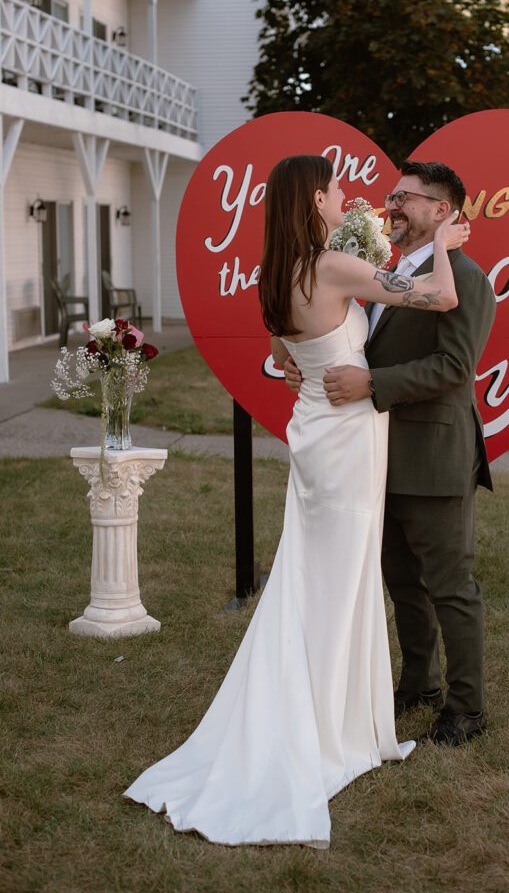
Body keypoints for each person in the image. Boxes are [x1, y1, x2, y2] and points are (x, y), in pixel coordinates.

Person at [124, 154, 470, 848]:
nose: (347, 197)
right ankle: (327, 723)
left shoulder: (276, 275)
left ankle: (326, 707)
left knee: (315, 573)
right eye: (337, 190)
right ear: (315, 200)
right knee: (338, 580)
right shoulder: (334, 267)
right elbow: (441, 299)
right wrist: (443, 244)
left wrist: (304, 365)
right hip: (346, 439)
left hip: (315, 429)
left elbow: (289, 359)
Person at [285, 160, 496, 748]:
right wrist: (311, 369)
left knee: (450, 585)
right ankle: (419, 684)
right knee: (402, 582)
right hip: (373, 456)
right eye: (393, 195)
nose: (392, 205)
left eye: (407, 197)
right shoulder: (385, 272)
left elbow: (454, 367)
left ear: (442, 211)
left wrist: (372, 384)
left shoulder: (466, 277)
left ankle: (467, 709)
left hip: (434, 457)